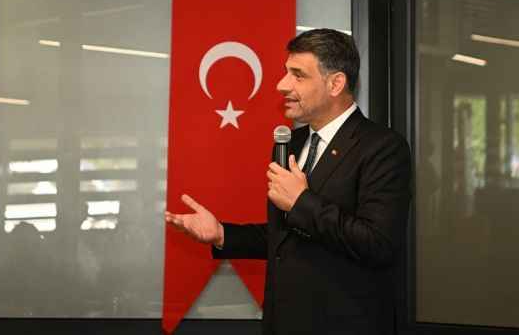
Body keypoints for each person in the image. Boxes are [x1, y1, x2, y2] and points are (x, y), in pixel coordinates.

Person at [165, 28, 411, 334]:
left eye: (298, 75)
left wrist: (301, 202)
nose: (282, 85)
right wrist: (221, 234)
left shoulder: (382, 147)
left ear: (336, 84)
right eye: (286, 72)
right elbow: (286, 238)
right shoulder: (290, 143)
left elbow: (378, 244)